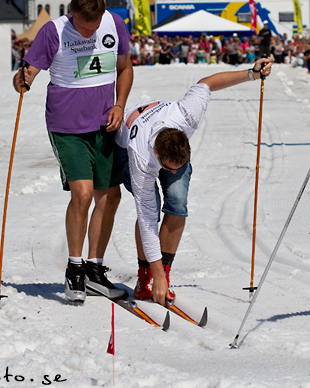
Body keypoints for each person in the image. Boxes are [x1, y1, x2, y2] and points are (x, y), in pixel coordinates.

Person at [116, 57, 274, 306]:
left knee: (177, 202)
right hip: (127, 141)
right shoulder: (141, 159)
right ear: (158, 156)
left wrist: (251, 74)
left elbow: (207, 83)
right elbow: (146, 219)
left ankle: (164, 270)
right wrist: (155, 276)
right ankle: (147, 272)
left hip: (166, 137)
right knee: (151, 208)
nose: (173, 171)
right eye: (170, 168)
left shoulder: (188, 114)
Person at [12, 0, 133, 305]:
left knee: (110, 195)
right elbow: (28, 74)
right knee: (82, 193)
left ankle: (94, 270)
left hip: (105, 124)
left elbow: (124, 68)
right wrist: (22, 79)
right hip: (67, 127)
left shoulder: (115, 23)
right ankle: (74, 268)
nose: (89, 32)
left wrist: (119, 105)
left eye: (94, 27)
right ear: (72, 13)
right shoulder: (53, 31)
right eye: (83, 26)